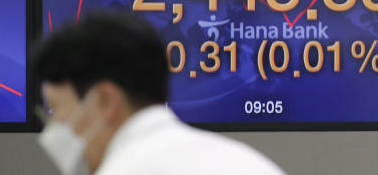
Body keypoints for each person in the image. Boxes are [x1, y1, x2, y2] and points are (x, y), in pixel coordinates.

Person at [33, 10, 287, 175]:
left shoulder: (126, 170)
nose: (53, 128)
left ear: (104, 101)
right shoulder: (246, 162)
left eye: (56, 109)